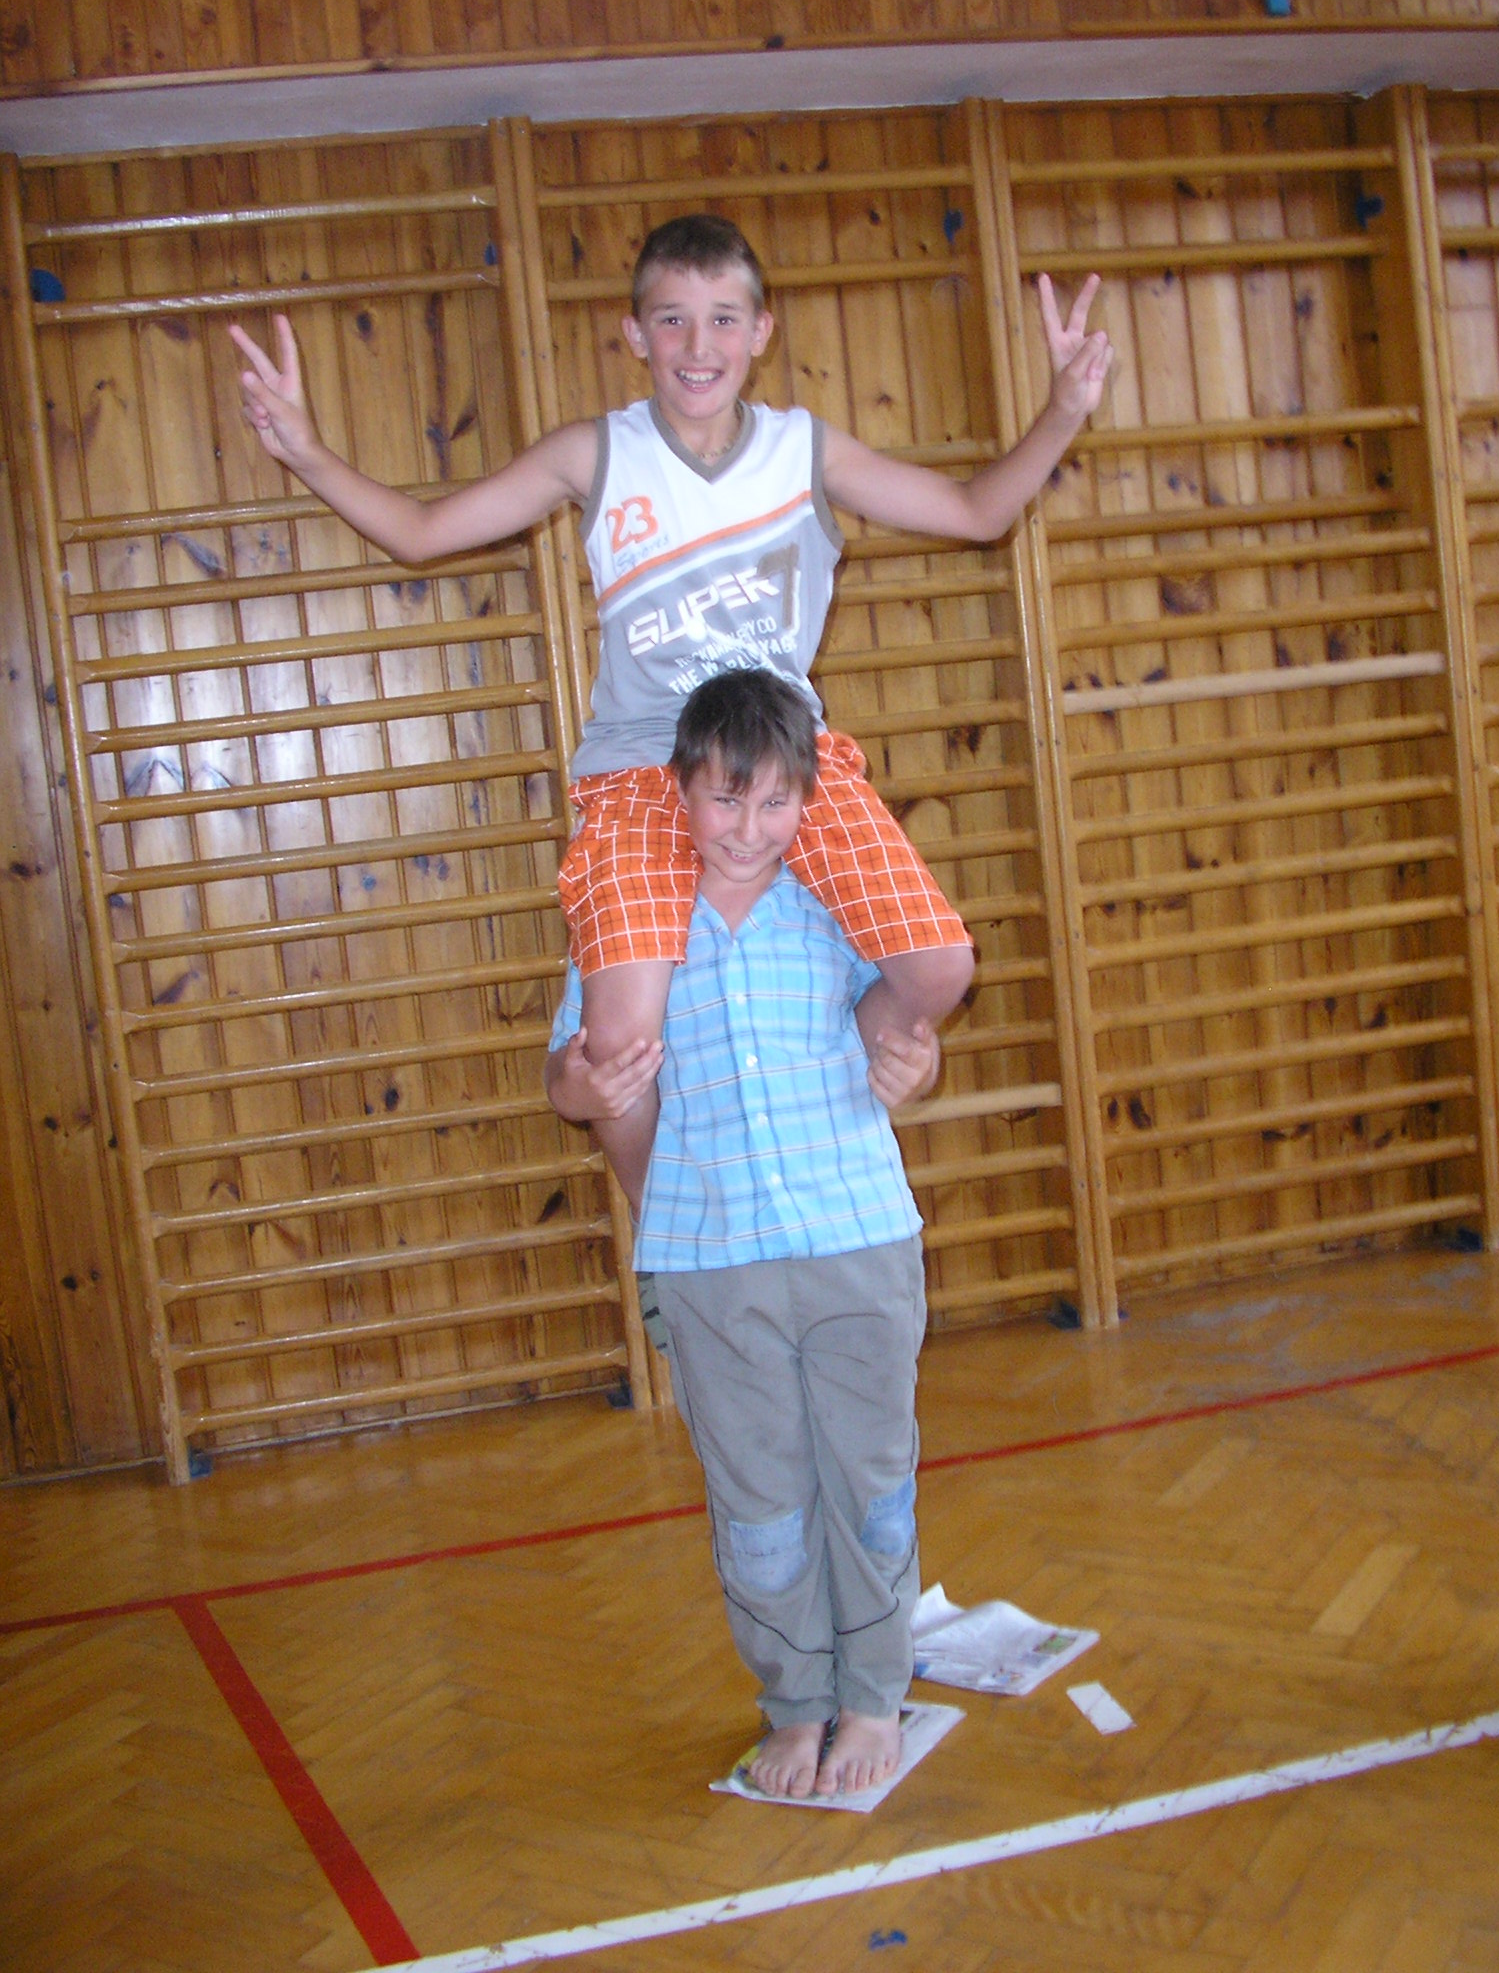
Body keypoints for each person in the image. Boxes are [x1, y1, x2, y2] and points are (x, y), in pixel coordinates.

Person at [231, 215, 1112, 1207]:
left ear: (761, 331)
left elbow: (978, 512)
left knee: (942, 967)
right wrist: (305, 451)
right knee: (618, 1041)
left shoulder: (803, 450)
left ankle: (846, 1081)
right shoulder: (595, 454)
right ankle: (669, 1228)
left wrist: (1063, 411)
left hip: (783, 760)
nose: (700, 344)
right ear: (636, 333)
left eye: (724, 318)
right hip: (643, 763)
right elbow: (424, 532)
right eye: (673, 319)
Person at [546, 668, 941, 1799]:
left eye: (776, 802)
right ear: (680, 789)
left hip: (856, 1238)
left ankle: (874, 1694)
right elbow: (567, 1069)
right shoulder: (632, 922)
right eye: (726, 798)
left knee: (871, 1484)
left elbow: (904, 1029)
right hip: (711, 1262)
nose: (750, 828)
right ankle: (798, 1703)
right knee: (761, 1505)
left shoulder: (835, 906)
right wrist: (579, 1083)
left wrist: (916, 1063)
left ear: (808, 800)